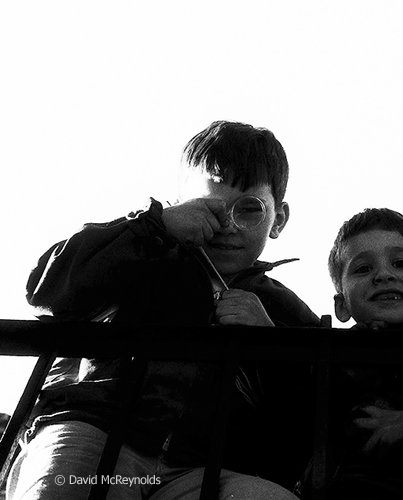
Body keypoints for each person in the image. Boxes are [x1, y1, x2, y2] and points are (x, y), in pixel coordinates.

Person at [7, 121, 320, 499]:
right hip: (99, 432)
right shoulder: (144, 251)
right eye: (211, 206)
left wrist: (270, 346)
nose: (227, 225)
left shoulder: (284, 309)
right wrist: (154, 226)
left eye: (249, 209)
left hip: (206, 469)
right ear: (181, 204)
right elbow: (47, 286)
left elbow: (311, 417)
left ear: (279, 220)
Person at [297, 208, 403, 499]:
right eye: (363, 269)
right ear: (341, 306)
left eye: (401, 263)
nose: (383, 275)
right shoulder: (330, 359)